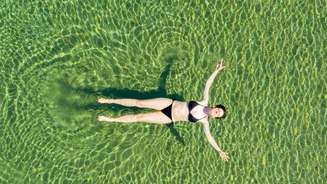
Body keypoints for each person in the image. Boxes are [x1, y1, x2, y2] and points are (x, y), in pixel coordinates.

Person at [98, 59, 229, 161]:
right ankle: (109, 100)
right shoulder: (204, 101)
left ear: (215, 117)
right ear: (215, 106)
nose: (217, 112)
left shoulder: (204, 121)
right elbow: (208, 84)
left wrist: (219, 150)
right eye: (218, 110)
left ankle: (110, 119)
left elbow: (210, 138)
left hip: (168, 118)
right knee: (140, 103)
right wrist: (216, 71)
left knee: (140, 118)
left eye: (218, 115)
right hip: (169, 104)